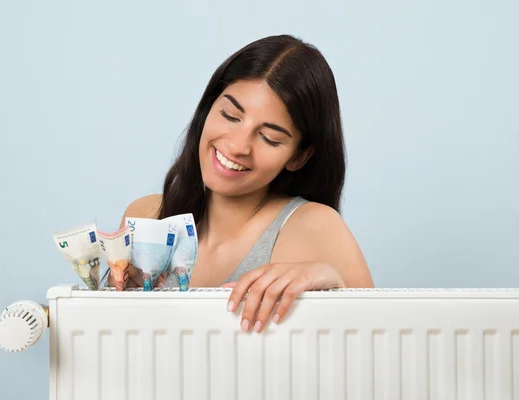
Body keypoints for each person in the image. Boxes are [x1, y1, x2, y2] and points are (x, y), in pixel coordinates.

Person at [108, 34, 374, 332]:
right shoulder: (146, 215)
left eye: (269, 138)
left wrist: (335, 284)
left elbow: (384, 353)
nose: (237, 147)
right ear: (208, 106)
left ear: (298, 156)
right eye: (230, 115)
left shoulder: (316, 227)